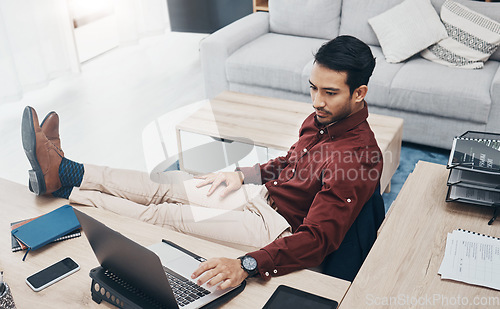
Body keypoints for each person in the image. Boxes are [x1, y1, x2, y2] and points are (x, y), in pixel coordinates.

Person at [21, 35, 382, 290]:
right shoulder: (322, 120)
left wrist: (246, 264)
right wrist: (245, 174)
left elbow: (318, 240)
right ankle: (67, 169)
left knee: (167, 214)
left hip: (274, 227)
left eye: (329, 92)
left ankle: (68, 194)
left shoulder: (358, 159)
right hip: (260, 199)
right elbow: (291, 160)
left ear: (359, 93)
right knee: (165, 184)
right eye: (313, 87)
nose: (316, 101)